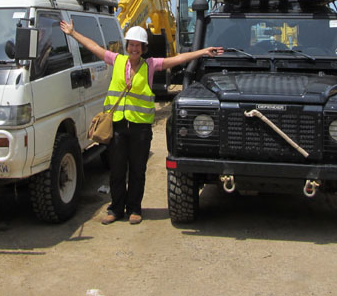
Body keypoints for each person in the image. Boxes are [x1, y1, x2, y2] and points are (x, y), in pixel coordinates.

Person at [60, 20, 223, 225]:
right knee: (117, 170)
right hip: (118, 125)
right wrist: (73, 32)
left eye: (138, 45)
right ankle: (115, 209)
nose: (134, 48)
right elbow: (94, 47)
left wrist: (201, 52)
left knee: (137, 170)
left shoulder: (151, 65)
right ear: (127, 46)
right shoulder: (117, 60)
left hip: (141, 128)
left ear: (144, 48)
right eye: (131, 44)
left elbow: (178, 58)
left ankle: (135, 209)